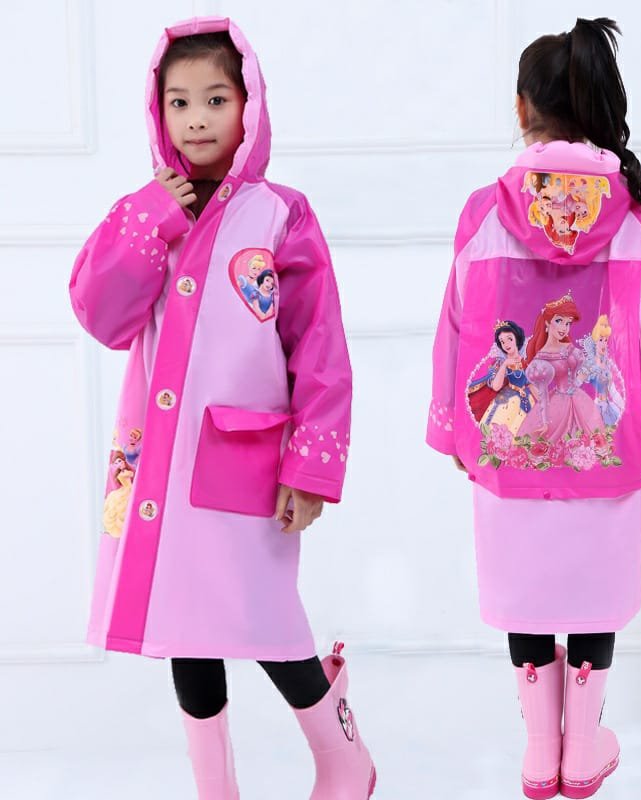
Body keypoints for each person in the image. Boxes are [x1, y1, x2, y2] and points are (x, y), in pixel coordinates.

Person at [68, 17, 375, 800]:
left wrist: (311, 467)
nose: (197, 118)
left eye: (216, 99)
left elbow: (319, 349)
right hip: (161, 464)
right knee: (183, 622)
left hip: (249, 460)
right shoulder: (145, 213)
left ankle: (344, 758)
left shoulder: (280, 215)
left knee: (267, 615)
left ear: (249, 107)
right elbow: (103, 318)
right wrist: (149, 218)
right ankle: (216, 787)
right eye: (178, 102)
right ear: (158, 112)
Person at [426, 18, 641, 799]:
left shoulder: (483, 213)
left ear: (522, 109)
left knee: (529, 592)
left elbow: (455, 324)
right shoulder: (636, 223)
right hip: (609, 453)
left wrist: (456, 430)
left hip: (507, 452)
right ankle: (582, 755)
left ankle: (541, 752)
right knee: (594, 595)